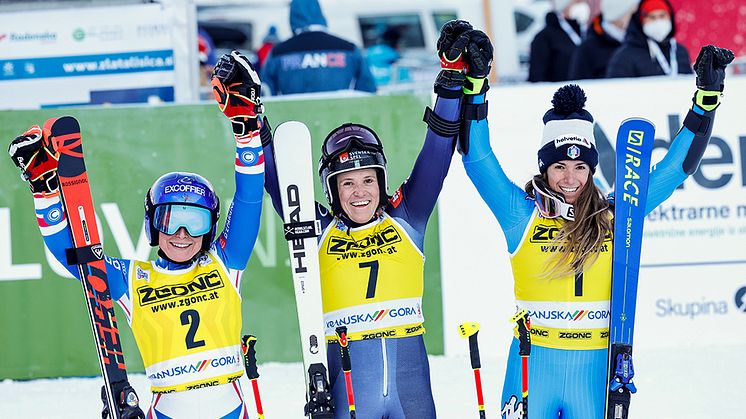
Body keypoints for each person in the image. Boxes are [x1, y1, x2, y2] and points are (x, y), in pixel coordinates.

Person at [459, 38, 732, 418]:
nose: (569, 178)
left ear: (591, 169)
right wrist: (475, 84)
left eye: (580, 168)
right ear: (544, 168)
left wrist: (706, 99)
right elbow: (477, 159)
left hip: (596, 369)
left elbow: (675, 169)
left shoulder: (618, 215)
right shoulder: (520, 216)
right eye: (559, 167)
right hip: (532, 364)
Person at [7, 51, 268, 418]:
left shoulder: (227, 261)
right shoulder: (132, 278)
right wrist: (45, 191)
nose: (181, 233)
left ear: (211, 228)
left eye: (195, 222)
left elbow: (249, 197)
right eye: (170, 219)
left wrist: (246, 130)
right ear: (152, 225)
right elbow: (73, 258)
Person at [258, 20, 490, 419]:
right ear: (331, 192)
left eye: (368, 180)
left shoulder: (408, 216)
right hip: (348, 386)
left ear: (382, 182)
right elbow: (279, 182)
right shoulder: (316, 230)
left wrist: (451, 80)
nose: (360, 191)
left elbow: (437, 152)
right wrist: (252, 124)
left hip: (410, 387)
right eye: (346, 183)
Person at [261, 0, 376, 95]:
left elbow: (265, 94)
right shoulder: (350, 49)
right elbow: (367, 90)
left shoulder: (277, 53)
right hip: (341, 117)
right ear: (320, 13)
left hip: (293, 120)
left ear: (293, 17)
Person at [606, 0, 692, 78]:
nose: (658, 22)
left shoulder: (680, 51)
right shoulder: (624, 56)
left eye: (662, 16)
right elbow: (615, 90)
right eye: (652, 17)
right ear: (641, 21)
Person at [568, 0, 638, 80]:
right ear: (620, 14)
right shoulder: (588, 49)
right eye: (632, 13)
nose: (637, 17)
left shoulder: (638, 43)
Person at [528, 0, 590, 83]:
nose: (582, 6)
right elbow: (537, 78)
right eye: (577, 2)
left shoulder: (589, 34)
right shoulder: (544, 38)